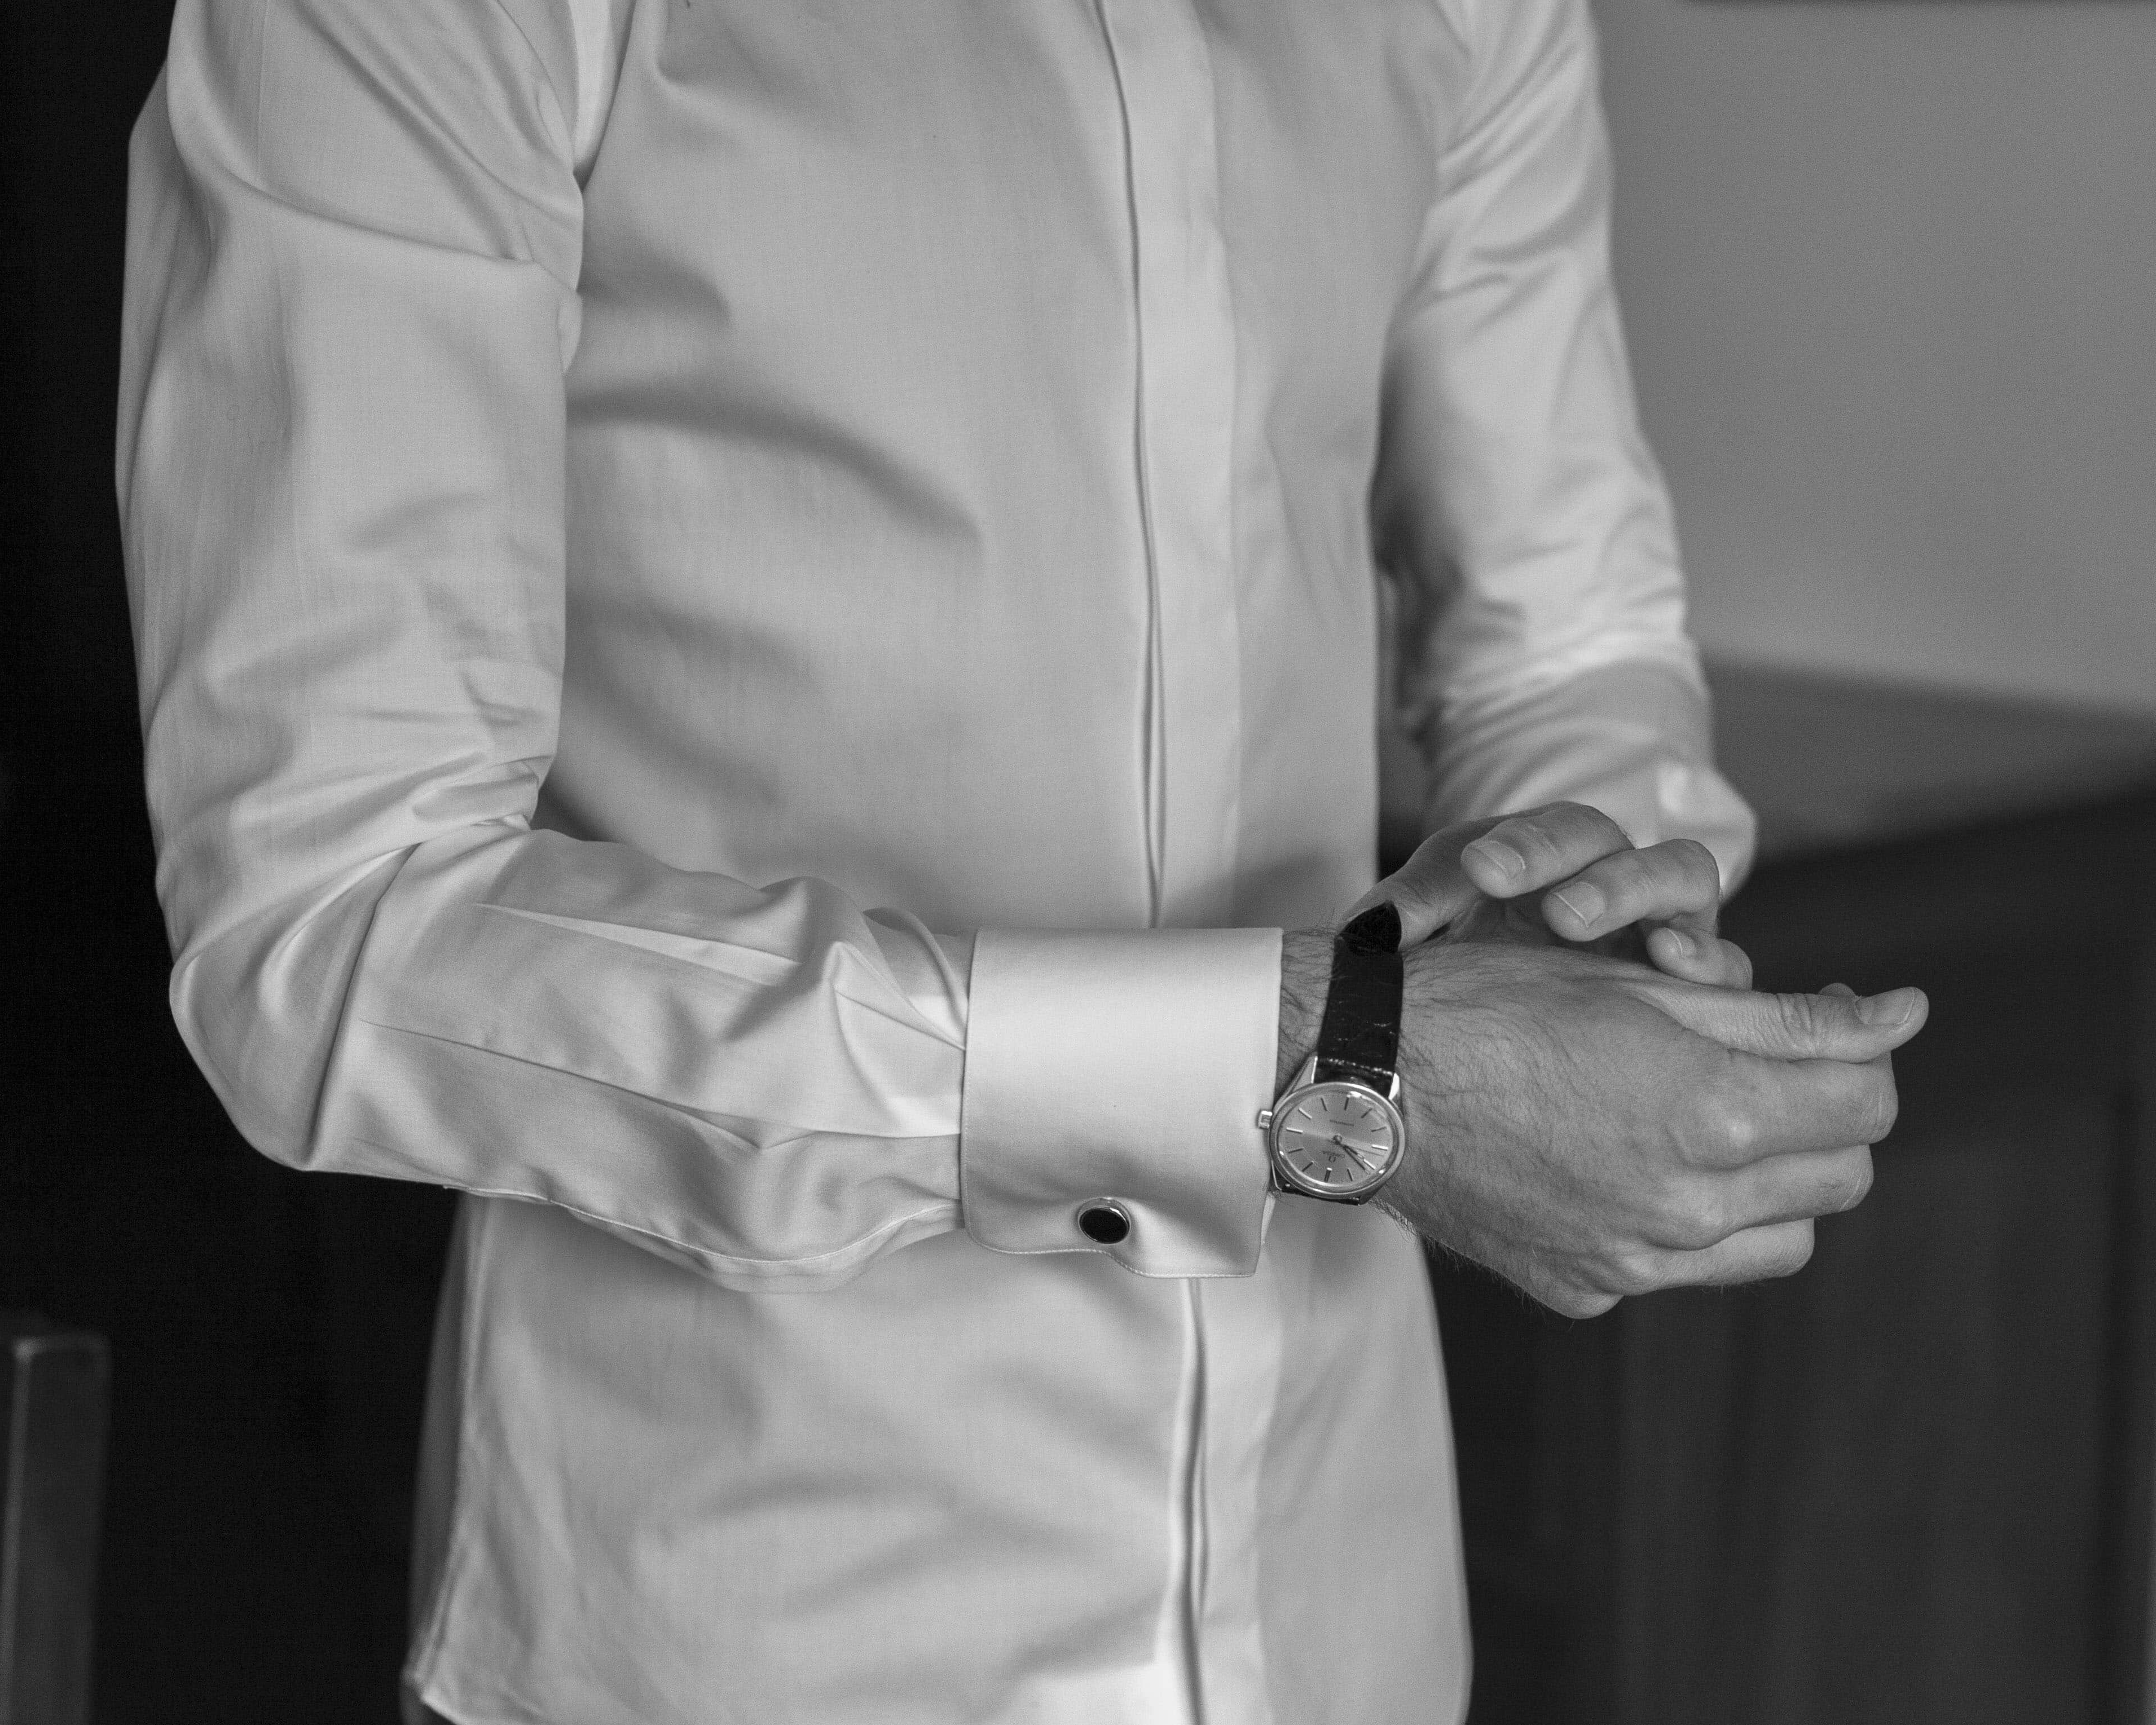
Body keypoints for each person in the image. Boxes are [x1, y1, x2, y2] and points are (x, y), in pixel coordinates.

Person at [117, 0, 1921, 1719]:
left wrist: (1591, 890)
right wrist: (1315, 1063)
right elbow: (335, 924)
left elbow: (1561, 633)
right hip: (750, 1622)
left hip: (1341, 1608)